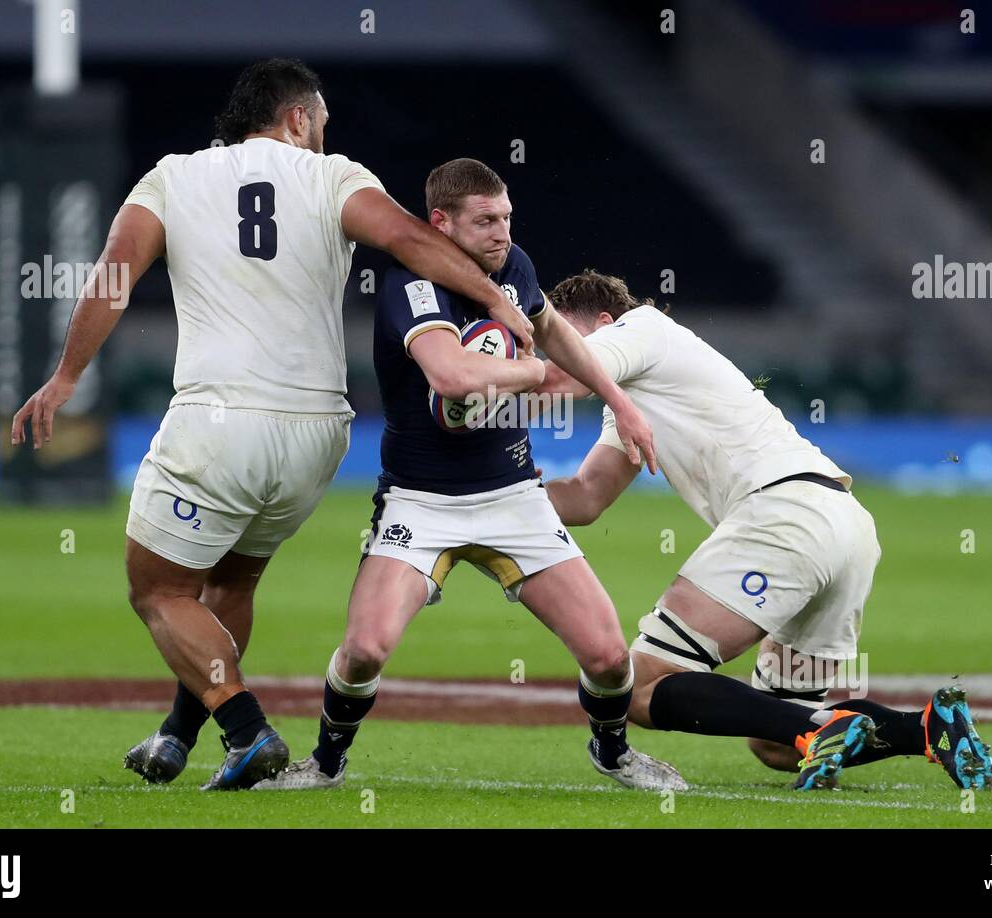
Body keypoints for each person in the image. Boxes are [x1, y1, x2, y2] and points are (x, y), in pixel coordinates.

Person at [11, 60, 534, 791]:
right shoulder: (334, 177)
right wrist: (500, 301)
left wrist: (67, 375)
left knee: (158, 591)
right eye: (321, 120)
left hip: (220, 422)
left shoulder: (172, 177)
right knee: (229, 582)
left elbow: (112, 277)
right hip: (318, 435)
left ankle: (245, 728)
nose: (325, 134)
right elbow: (414, 241)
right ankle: (177, 734)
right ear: (296, 118)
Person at [256, 160, 684, 792]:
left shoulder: (516, 269)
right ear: (440, 223)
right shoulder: (410, 284)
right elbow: (452, 377)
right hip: (418, 501)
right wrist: (535, 374)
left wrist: (618, 401)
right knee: (366, 649)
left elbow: (553, 332)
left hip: (513, 495)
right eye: (485, 220)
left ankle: (614, 752)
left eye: (506, 218)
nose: (501, 232)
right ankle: (325, 764)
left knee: (609, 656)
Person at [531, 270, 992, 790]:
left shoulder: (642, 328)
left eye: (562, 338)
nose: (556, 351)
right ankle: (929, 729)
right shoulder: (633, 403)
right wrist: (509, 489)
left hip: (783, 518)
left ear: (603, 322)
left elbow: (559, 380)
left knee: (640, 684)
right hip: (841, 525)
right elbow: (586, 497)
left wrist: (468, 380)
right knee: (776, 742)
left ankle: (818, 732)